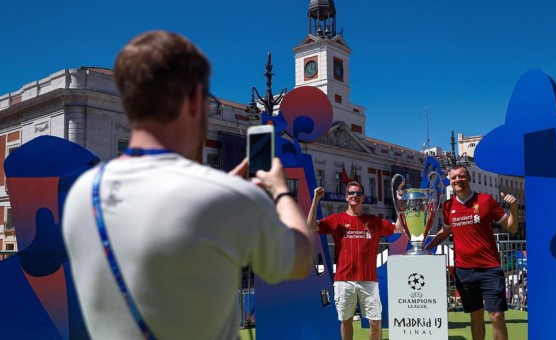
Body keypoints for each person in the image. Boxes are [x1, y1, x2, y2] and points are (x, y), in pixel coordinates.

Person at [62, 30, 314, 339]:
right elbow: (300, 259)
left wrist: (220, 189)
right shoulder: (228, 199)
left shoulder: (80, 193)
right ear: (195, 100)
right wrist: (281, 192)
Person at [426, 165, 519, 340]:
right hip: (464, 271)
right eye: (453, 178)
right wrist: (424, 249)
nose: (457, 180)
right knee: (475, 318)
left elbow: (512, 228)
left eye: (461, 176)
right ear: (450, 182)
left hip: (490, 269)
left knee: (496, 317)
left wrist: (513, 207)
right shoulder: (448, 206)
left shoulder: (485, 200)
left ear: (469, 178)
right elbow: (445, 232)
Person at [307, 181, 403, 340]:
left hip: (369, 280)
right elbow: (310, 226)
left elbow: (398, 228)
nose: (355, 196)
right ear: (346, 197)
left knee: (375, 322)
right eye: (351, 193)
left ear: (363, 198)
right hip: (344, 280)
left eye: (358, 194)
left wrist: (400, 203)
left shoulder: (374, 221)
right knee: (346, 321)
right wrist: (315, 199)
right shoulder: (336, 219)